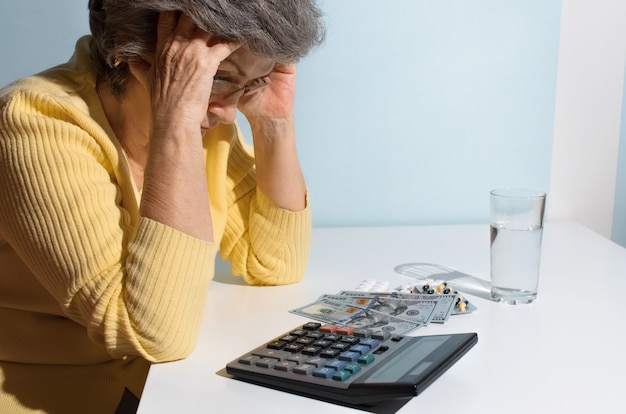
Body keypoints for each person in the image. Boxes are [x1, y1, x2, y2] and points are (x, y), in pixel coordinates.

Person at [0, 0, 325, 412]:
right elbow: (154, 335)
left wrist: (274, 122)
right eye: (220, 77)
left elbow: (275, 262)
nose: (228, 114)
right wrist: (178, 118)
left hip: (159, 388)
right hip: (55, 395)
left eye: (252, 81)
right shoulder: (35, 122)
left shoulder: (207, 125)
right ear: (133, 53)